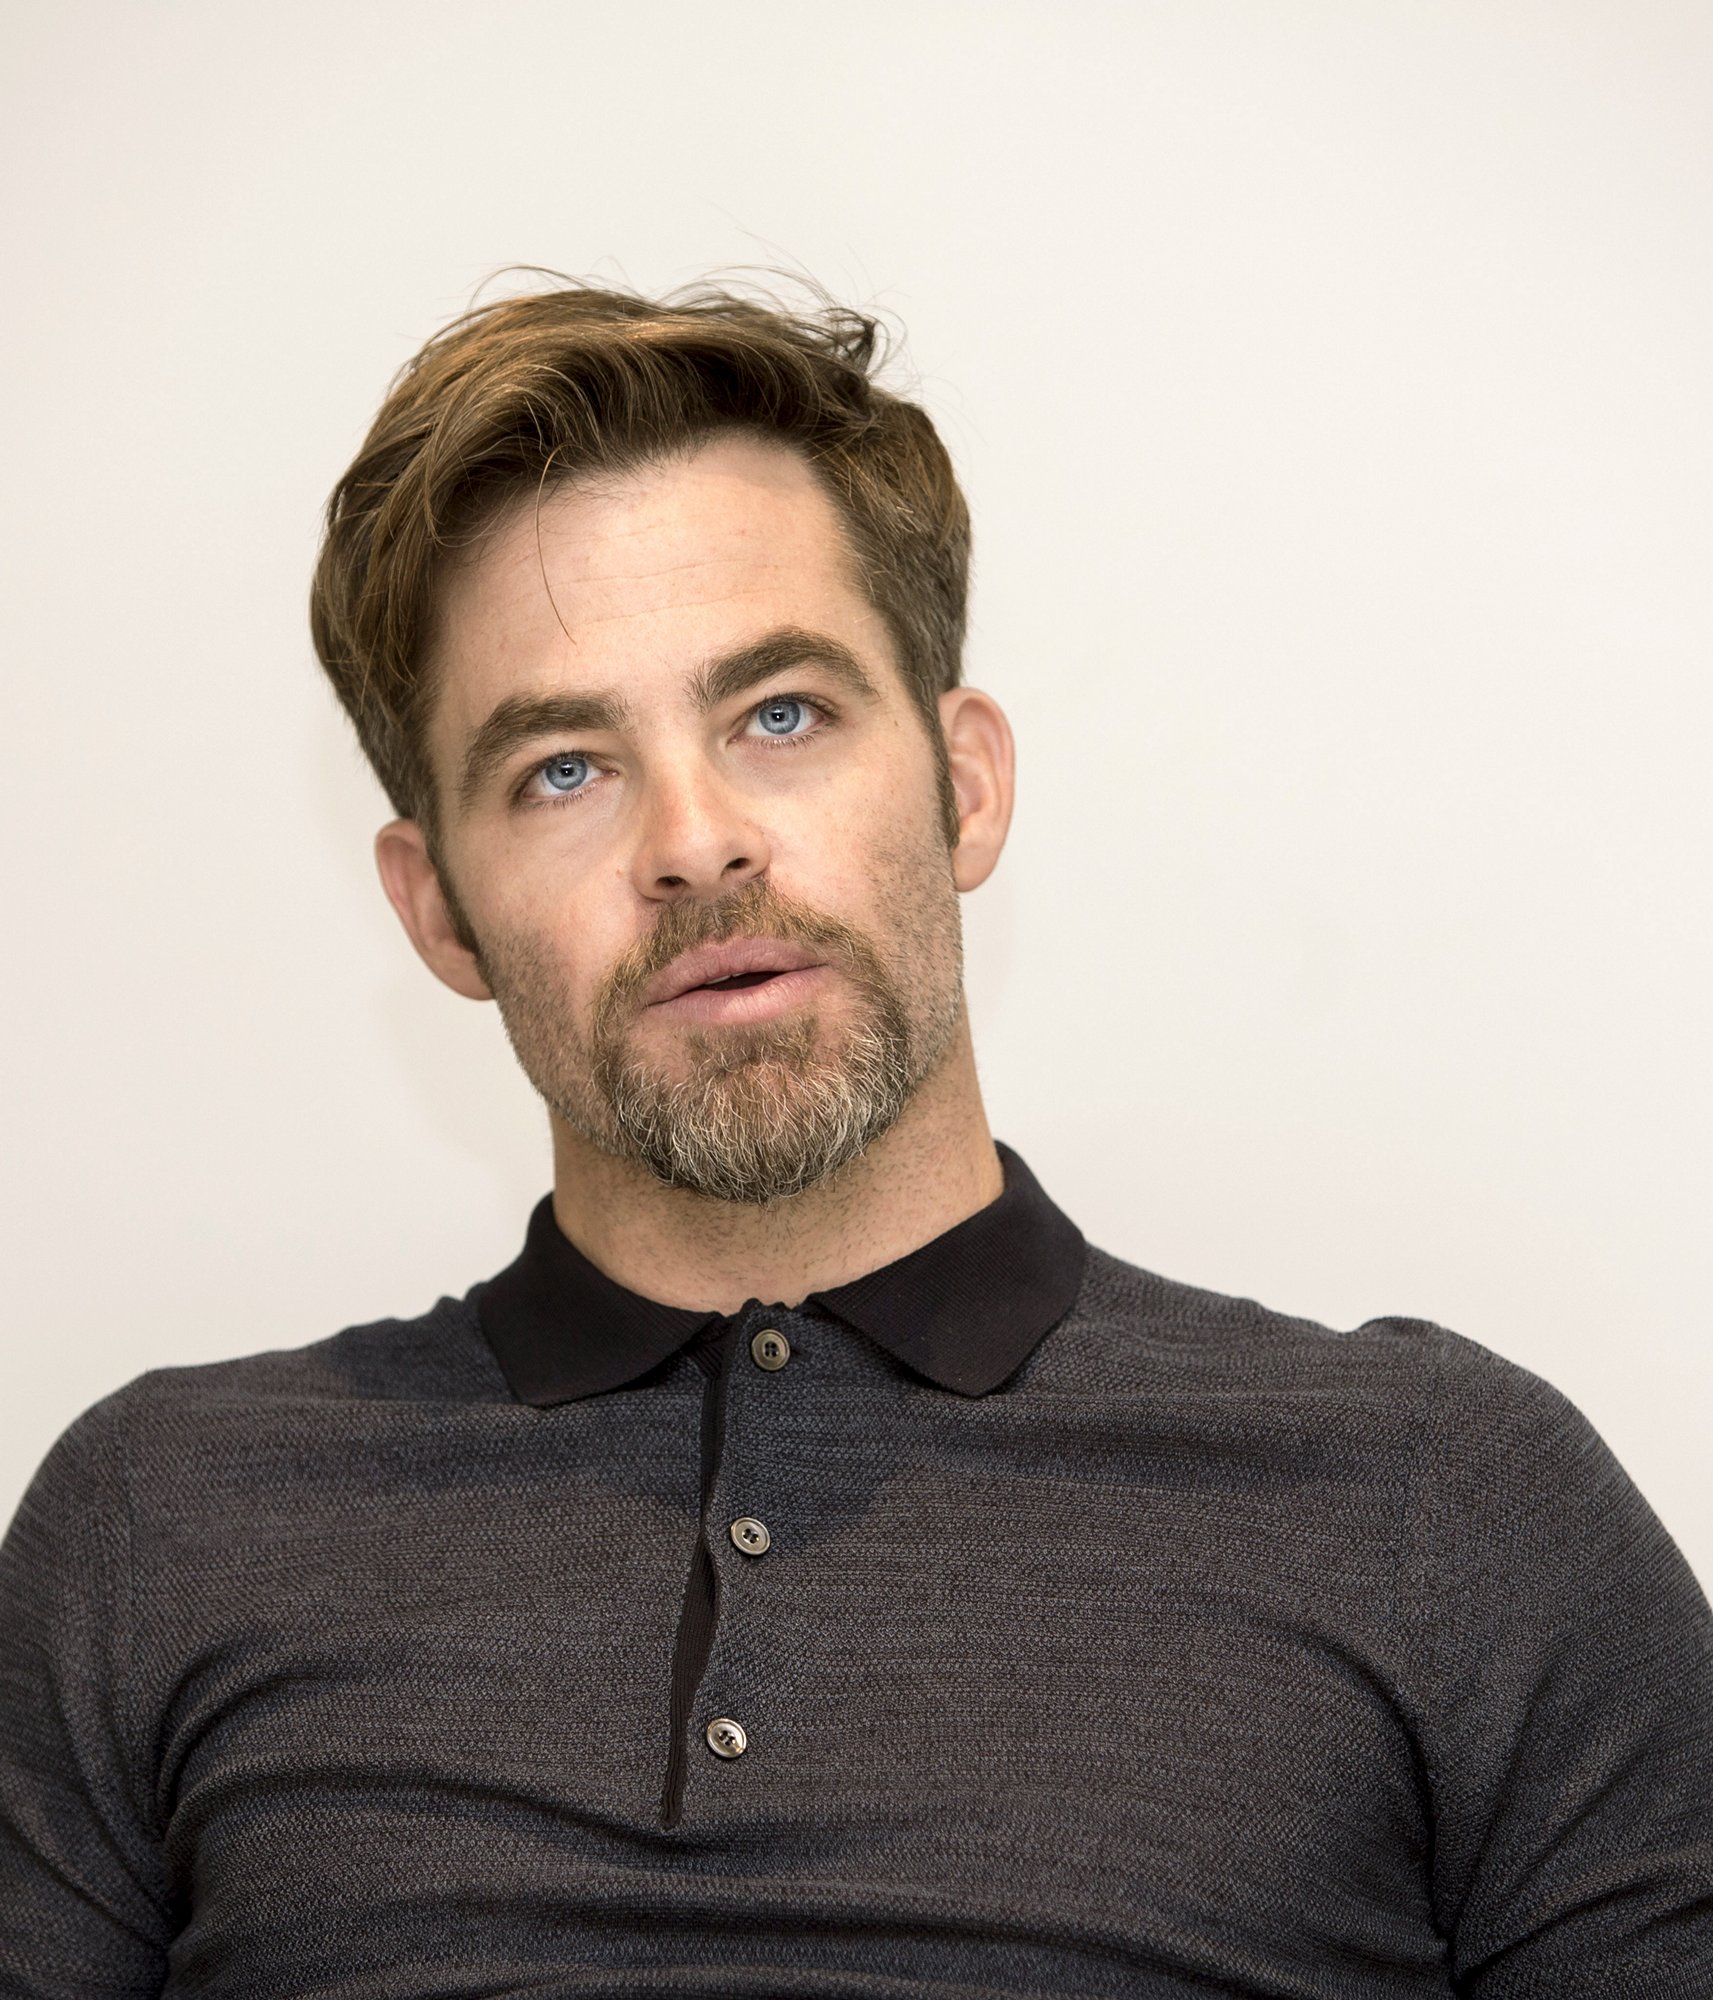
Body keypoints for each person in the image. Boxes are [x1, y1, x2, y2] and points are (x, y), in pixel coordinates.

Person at [1, 280, 1708, 2000]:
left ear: (965, 784)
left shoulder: (1441, 1497)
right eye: (564, 769)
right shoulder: (156, 1527)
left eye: (781, 714)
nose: (695, 843)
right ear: (435, 907)